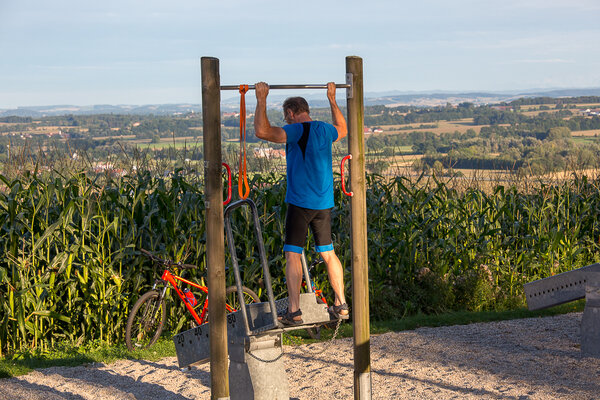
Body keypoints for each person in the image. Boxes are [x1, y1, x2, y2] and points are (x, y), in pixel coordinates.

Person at [254, 81, 349, 325]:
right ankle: (341, 304)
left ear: (291, 113)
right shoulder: (325, 129)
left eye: (286, 117)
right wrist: (332, 99)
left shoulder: (297, 130)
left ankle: (294, 311)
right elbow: (343, 128)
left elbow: (262, 132)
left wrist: (261, 99)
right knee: (328, 253)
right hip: (323, 203)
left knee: (293, 254)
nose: (286, 121)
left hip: (300, 204)